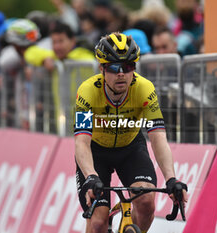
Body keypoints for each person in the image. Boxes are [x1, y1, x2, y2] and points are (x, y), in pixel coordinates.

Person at [74, 32, 188, 233]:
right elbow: (82, 142)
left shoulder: (144, 89)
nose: (121, 74)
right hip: (96, 152)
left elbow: (158, 137)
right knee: (98, 221)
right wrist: (91, 176)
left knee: (145, 202)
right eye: (114, 67)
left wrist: (171, 179)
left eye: (128, 67)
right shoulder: (87, 92)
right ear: (102, 68)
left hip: (130, 148)